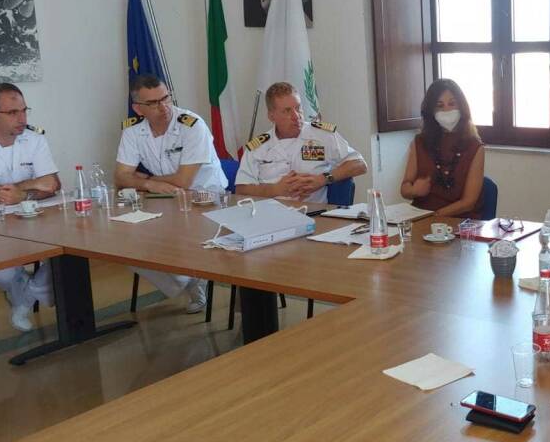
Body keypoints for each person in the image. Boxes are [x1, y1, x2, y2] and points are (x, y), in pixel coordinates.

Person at [113, 74, 227, 313]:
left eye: (165, 98)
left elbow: (183, 181)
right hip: (163, 201)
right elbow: (120, 178)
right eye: (153, 103)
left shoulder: (191, 125)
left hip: (206, 203)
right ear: (138, 109)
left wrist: (145, 180)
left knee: (168, 245)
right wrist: (151, 186)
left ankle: (191, 276)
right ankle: (190, 278)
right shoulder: (133, 132)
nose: (163, 106)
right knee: (129, 249)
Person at [0, 83, 59, 331]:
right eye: (13, 113)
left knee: (69, 257)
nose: (22, 118)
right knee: (2, 273)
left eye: (24, 110)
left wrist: (20, 192)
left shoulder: (34, 138)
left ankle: (24, 298)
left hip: (34, 219)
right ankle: (26, 292)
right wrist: (28, 188)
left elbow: (53, 183)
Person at [236, 82, 367, 202]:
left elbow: (360, 164)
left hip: (314, 216)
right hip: (270, 216)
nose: (296, 116)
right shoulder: (258, 147)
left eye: (298, 108)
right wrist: (276, 189)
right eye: (287, 111)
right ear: (271, 116)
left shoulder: (322, 135)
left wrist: (322, 179)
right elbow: (241, 189)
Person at [400, 79, 486, 218]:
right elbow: (404, 189)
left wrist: (434, 217)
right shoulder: (420, 142)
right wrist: (414, 191)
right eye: (440, 106)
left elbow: (468, 202)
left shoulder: (474, 146)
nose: (447, 110)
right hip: (420, 218)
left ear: (462, 107)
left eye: (452, 104)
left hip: (459, 224)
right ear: (431, 111)